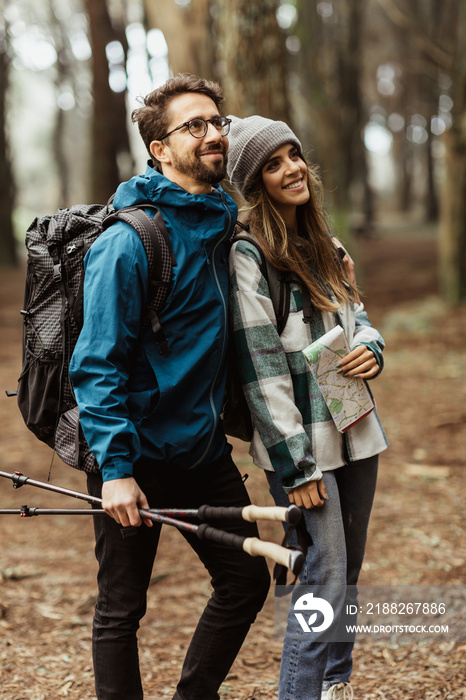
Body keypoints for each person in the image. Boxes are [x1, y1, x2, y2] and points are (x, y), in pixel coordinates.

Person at [69, 75, 270, 700]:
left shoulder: (222, 224)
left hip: (203, 450)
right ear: (159, 149)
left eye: (218, 122)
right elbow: (96, 365)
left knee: (245, 580)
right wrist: (116, 470)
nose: (214, 134)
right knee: (122, 608)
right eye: (195, 126)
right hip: (138, 453)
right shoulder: (128, 242)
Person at [226, 115, 389, 700]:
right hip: (303, 449)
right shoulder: (249, 255)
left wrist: (372, 347)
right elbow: (260, 365)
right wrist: (295, 466)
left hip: (356, 426)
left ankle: (335, 686)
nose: (292, 168)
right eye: (273, 163)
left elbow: (359, 317)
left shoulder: (328, 243)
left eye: (293, 154)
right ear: (255, 181)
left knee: (348, 572)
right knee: (321, 576)